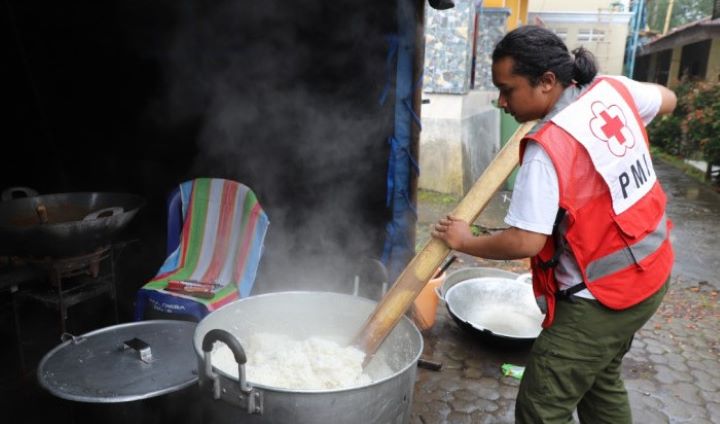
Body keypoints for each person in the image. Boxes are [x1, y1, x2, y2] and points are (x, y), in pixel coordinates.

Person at [432, 25, 677, 423]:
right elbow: (668, 99)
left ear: (547, 82)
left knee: (541, 409)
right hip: (651, 275)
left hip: (600, 300)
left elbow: (526, 240)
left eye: (507, 90)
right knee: (600, 381)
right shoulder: (611, 89)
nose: (500, 101)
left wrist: (465, 240)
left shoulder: (547, 149)